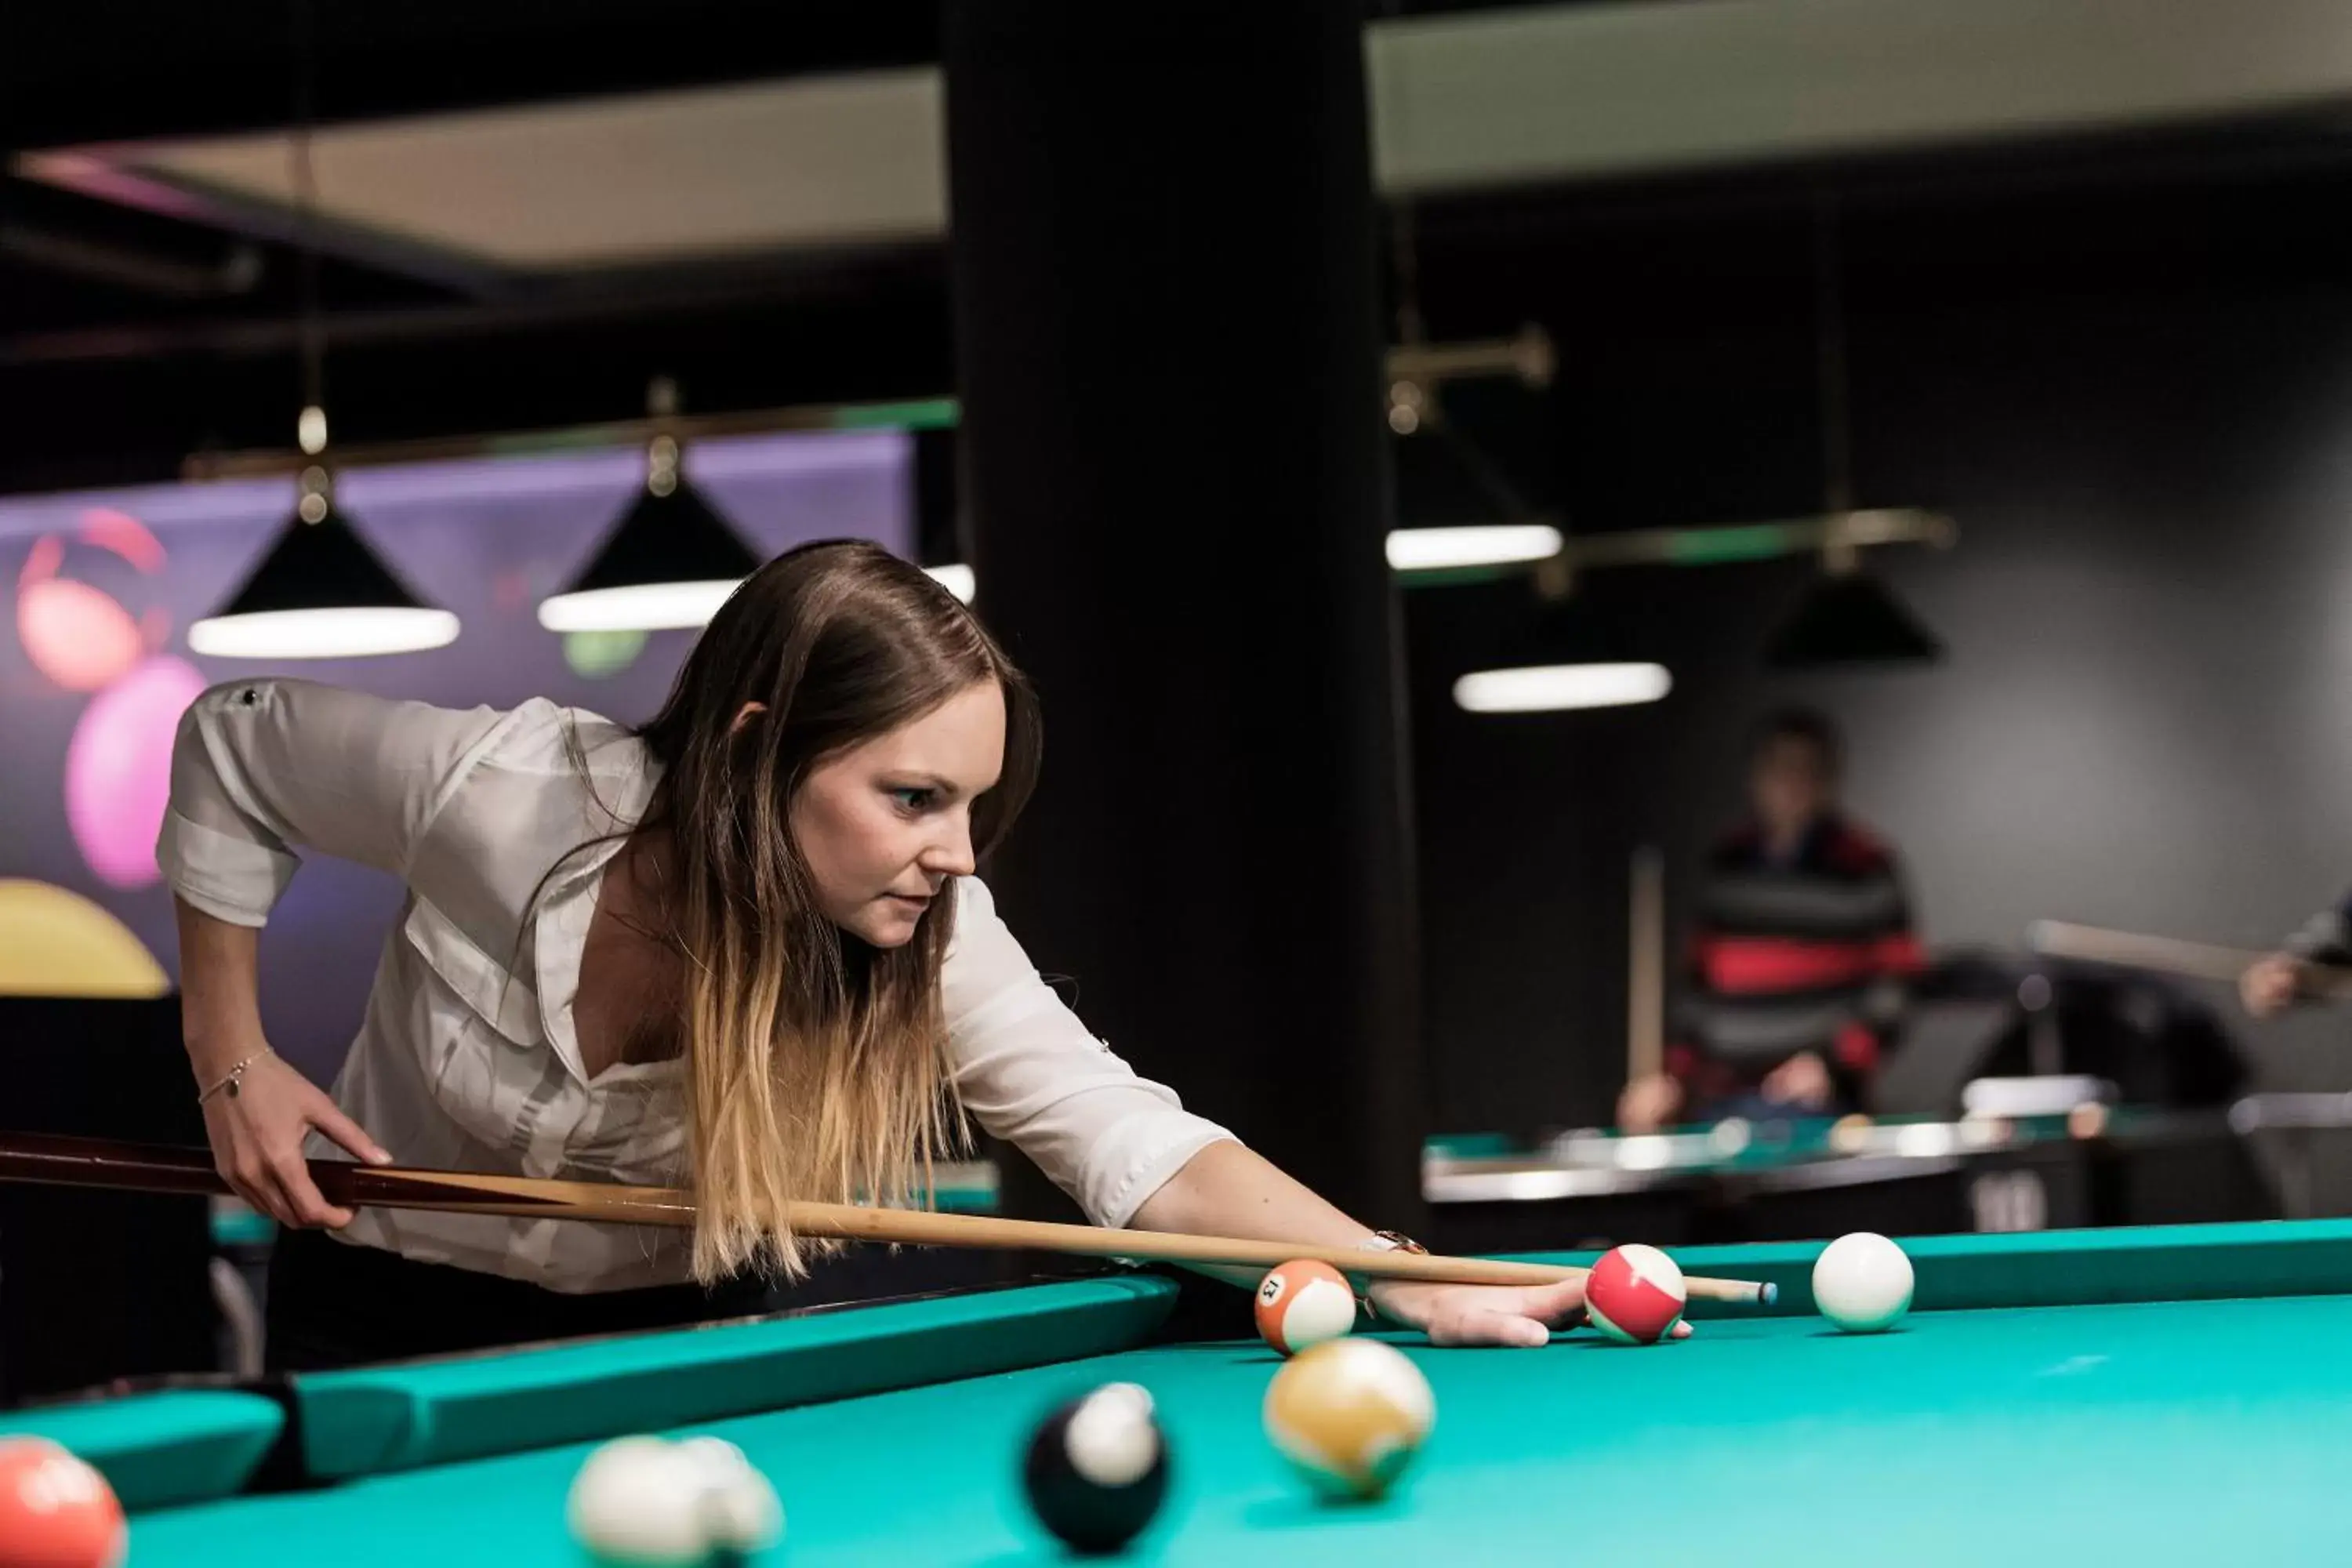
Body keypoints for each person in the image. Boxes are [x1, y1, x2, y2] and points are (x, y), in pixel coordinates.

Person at [163, 539, 1579, 1369]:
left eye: (970, 803)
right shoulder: (501, 793)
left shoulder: (924, 936)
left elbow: (1135, 1141)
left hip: (670, 1346)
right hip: (384, 1316)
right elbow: (234, 745)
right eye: (914, 798)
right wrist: (232, 1059)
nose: (957, 853)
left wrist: (1401, 1272)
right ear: (753, 749)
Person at [1618, 708, 1922, 1134]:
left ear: (1829, 778)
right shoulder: (1728, 864)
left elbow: (1896, 990)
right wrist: (1670, 1079)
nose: (1792, 782)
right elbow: (1695, 990)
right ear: (1755, 776)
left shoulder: (1865, 866)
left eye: (1806, 769)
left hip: (1819, 1105)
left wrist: (1831, 1066)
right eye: (1779, 766)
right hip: (1721, 1103)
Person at [2240, 894, 2352, 1018]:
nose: (2282, 994)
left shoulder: (2297, 956)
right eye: (2280, 998)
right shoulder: (2314, 988)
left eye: (2277, 992)